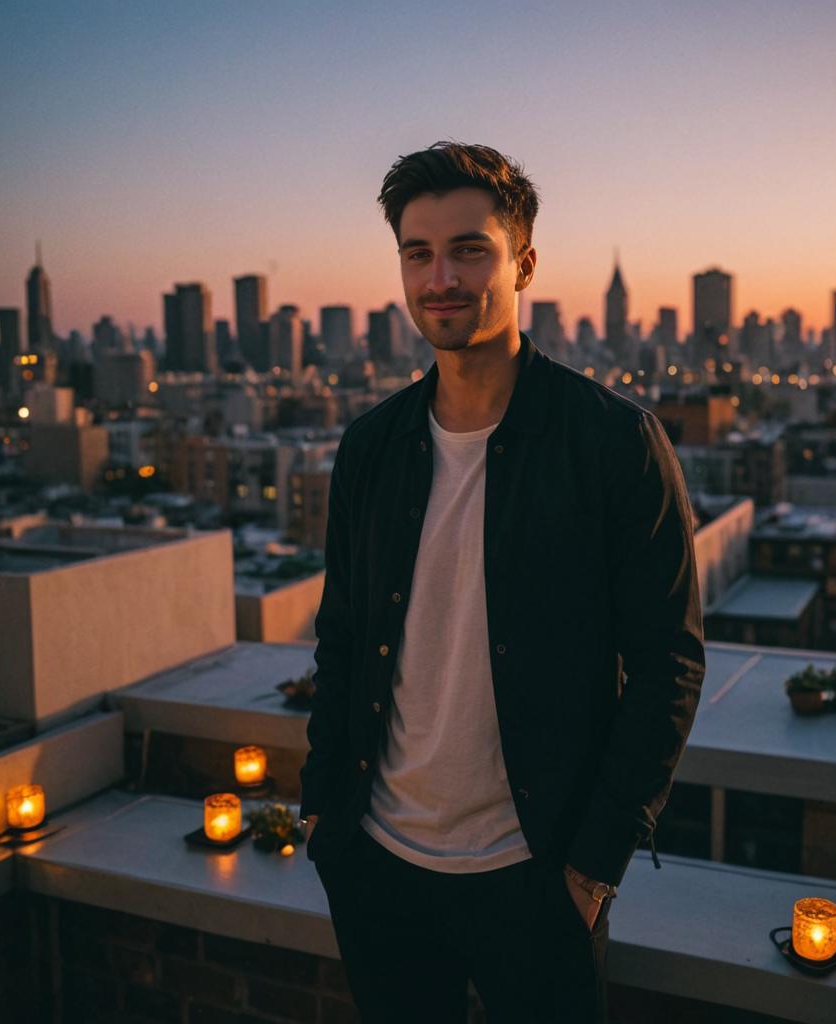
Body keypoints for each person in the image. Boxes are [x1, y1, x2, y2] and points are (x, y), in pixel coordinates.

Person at [298, 141, 705, 1023]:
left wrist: (592, 867)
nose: (440, 277)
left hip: (537, 878)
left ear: (524, 261)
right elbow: (340, 636)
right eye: (418, 253)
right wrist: (322, 817)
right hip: (378, 869)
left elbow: (670, 663)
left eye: (469, 249)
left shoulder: (612, 443)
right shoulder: (371, 448)